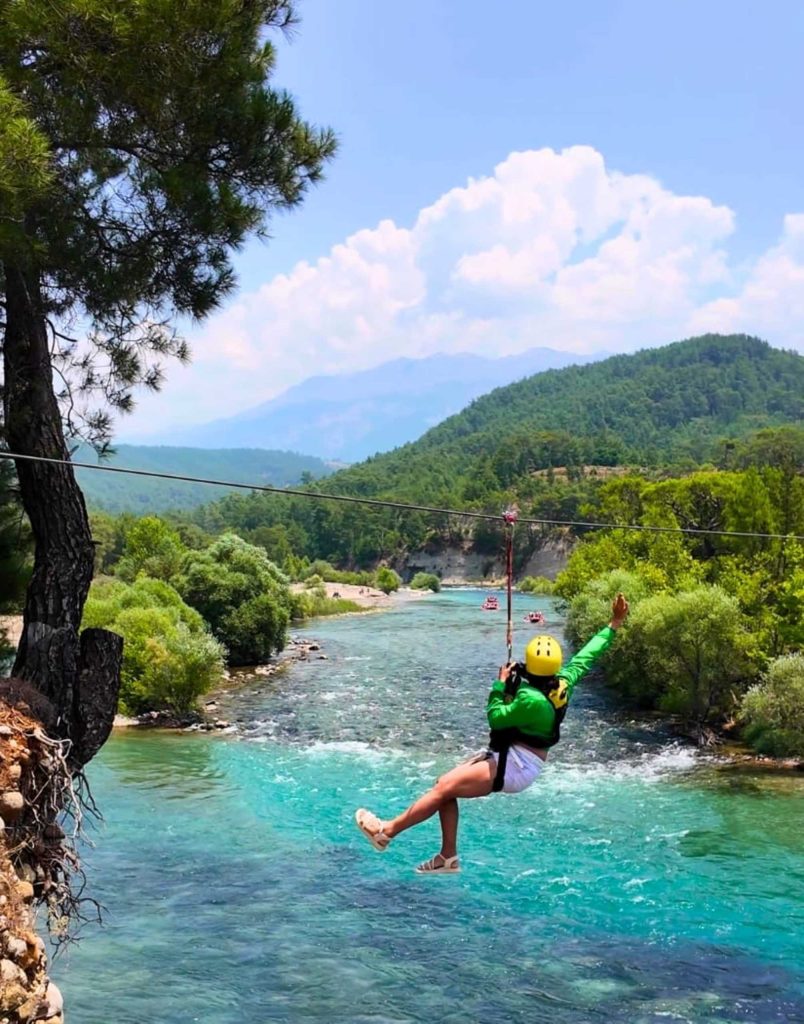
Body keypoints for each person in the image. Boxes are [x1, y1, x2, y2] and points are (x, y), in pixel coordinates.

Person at [354, 593, 629, 873]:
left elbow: (496, 719)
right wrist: (615, 622)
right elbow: (589, 653)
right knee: (444, 784)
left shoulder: (531, 700)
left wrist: (500, 687)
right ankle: (447, 857)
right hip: (515, 756)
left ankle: (386, 833)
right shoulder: (564, 681)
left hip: (516, 765)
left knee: (443, 789)